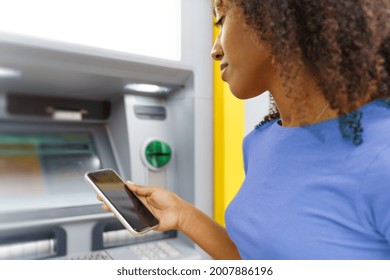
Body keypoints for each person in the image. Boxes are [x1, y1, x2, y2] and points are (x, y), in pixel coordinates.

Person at [101, 0, 390, 259]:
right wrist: (182, 214)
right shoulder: (259, 142)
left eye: (222, 20)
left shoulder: (382, 152)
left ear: (274, 16)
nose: (215, 51)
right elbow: (258, 260)